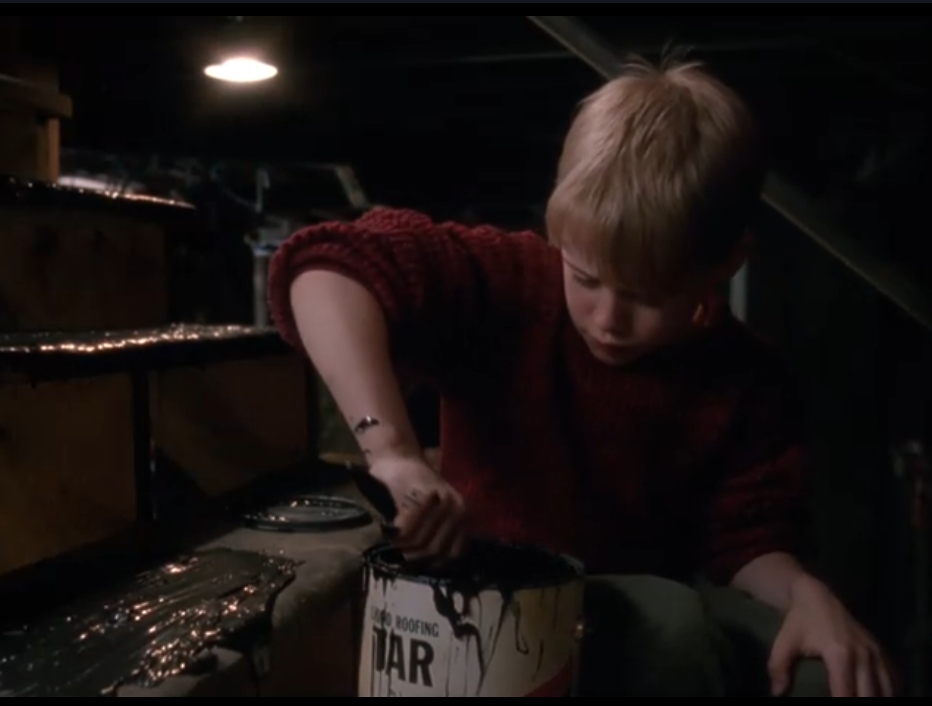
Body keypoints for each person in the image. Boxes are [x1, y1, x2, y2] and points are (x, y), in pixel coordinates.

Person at [266, 57, 897, 697]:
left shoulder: (748, 379)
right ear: (558, 232)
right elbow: (326, 268)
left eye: (648, 294)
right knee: (673, 627)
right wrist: (394, 453)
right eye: (586, 277)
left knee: (832, 673)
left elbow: (748, 540)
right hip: (492, 599)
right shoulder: (510, 282)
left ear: (725, 265)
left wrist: (806, 593)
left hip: (654, 606)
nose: (607, 319)